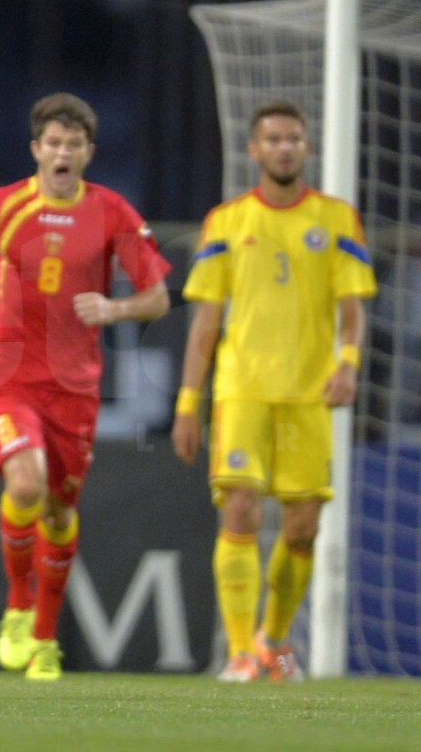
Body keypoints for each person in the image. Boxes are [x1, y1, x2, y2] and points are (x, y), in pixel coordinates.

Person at [0, 93, 171, 680]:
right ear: (37, 149)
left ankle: (43, 638)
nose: (63, 153)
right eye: (53, 143)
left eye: (74, 144)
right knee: (26, 481)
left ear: (88, 152)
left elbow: (158, 297)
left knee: (59, 513)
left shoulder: (111, 212)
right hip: (5, 376)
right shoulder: (4, 204)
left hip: (74, 388)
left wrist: (114, 310)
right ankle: (16, 605)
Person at [172, 100, 376, 682]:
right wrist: (189, 401)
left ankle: (274, 640)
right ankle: (238, 651)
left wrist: (348, 364)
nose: (284, 147)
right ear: (253, 150)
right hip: (243, 389)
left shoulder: (337, 219)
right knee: (239, 507)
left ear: (306, 148)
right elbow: (206, 321)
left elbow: (353, 306)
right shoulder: (226, 221)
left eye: (293, 139)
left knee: (302, 527)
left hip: (309, 392)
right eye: (273, 139)